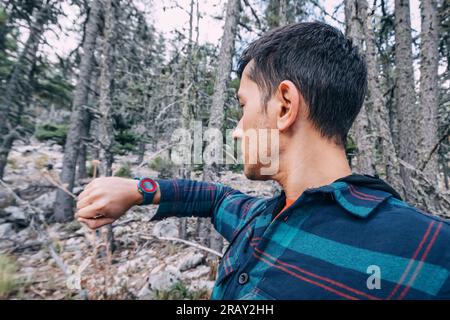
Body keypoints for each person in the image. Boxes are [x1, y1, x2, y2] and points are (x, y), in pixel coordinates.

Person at [75, 21, 450, 300]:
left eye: (243, 107)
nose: (237, 131)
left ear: (284, 106)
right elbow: (216, 198)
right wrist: (138, 190)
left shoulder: (434, 251)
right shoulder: (257, 217)